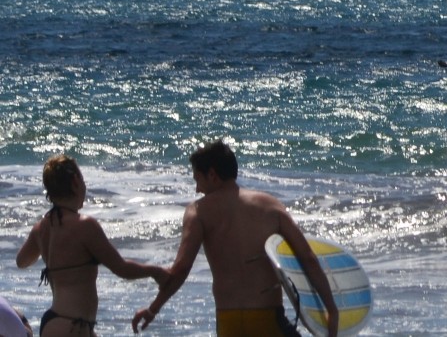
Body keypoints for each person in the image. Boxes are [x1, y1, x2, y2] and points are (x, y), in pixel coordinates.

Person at [132, 140, 338, 337]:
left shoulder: (198, 212)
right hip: (267, 320)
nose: (197, 189)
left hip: (228, 322)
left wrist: (153, 309)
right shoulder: (271, 206)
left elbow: (181, 270)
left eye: (197, 180)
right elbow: (307, 258)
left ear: (212, 175)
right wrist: (332, 309)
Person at [15, 155, 168, 337]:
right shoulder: (85, 225)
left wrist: (51, 256)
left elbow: (21, 262)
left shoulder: (41, 227)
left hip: (57, 324)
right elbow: (122, 269)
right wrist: (156, 272)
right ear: (76, 182)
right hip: (72, 327)